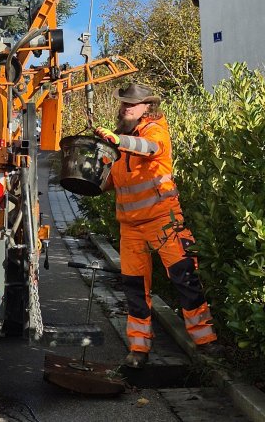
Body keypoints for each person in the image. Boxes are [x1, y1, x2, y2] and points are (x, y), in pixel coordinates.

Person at [95, 83, 222, 369]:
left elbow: (150, 149)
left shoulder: (154, 131)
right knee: (134, 288)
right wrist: (86, 181)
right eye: (124, 103)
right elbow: (111, 181)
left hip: (164, 221)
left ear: (147, 107)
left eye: (132, 104)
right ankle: (138, 349)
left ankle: (206, 341)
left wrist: (116, 141)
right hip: (130, 228)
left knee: (184, 277)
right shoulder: (119, 141)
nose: (126, 108)